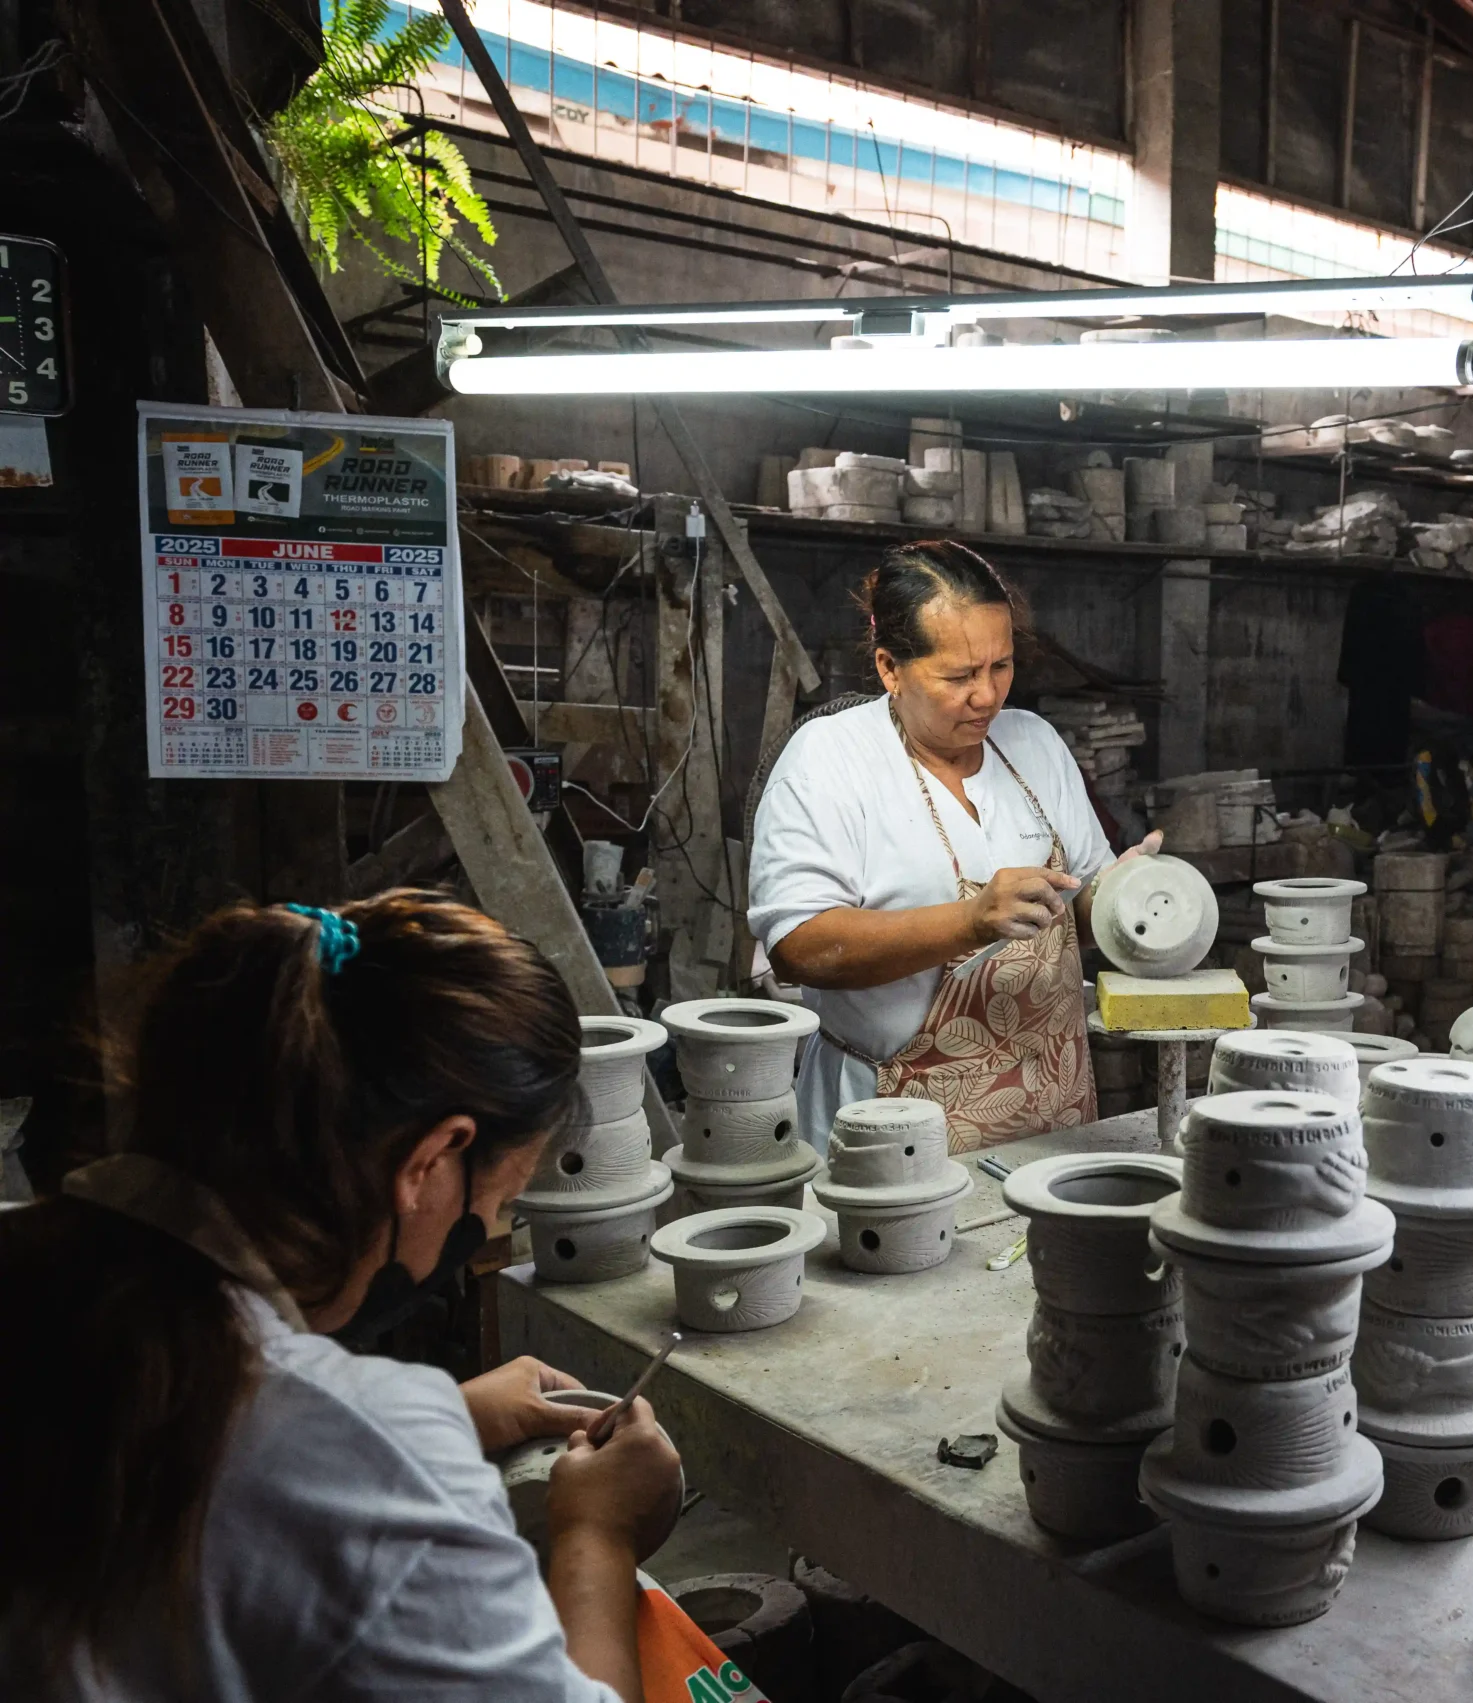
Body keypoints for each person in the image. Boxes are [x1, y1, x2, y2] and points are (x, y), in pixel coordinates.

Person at [0, 894, 685, 1700]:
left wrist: (446, 1417)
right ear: (431, 1162)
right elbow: (293, 1452)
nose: (490, 1223)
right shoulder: (364, 1451)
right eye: (499, 1201)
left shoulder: (38, 1270)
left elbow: (213, 1448)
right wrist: (596, 1537)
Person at [750, 541, 1156, 1150]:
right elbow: (798, 949)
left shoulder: (1035, 744)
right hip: (895, 1124)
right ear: (890, 668)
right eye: (959, 675)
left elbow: (1079, 911)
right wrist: (970, 921)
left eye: (1001, 666)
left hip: (1053, 1114)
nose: (988, 695)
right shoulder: (830, 760)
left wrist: (1127, 899)